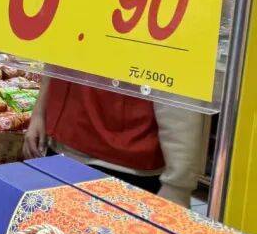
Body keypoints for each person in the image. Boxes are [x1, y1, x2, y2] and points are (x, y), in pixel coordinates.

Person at [23, 78, 206, 206]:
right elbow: (59, 55)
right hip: (61, 150)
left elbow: (178, 89)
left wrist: (177, 187)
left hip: (122, 168)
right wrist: (40, 112)